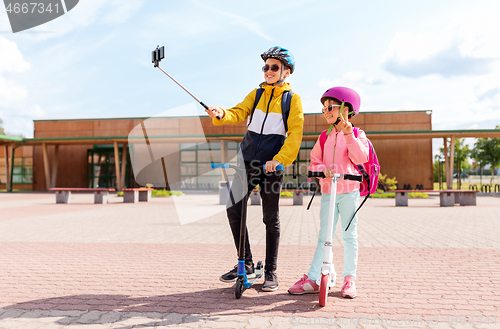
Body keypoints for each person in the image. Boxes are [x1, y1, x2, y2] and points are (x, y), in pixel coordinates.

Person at [205, 46, 304, 291]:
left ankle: (271, 270)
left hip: (272, 164)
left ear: (286, 72)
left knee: (270, 217)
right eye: (266, 67)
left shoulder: (293, 100)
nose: (268, 71)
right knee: (233, 208)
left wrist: (279, 159)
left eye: (274, 67)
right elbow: (238, 112)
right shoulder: (257, 93)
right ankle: (246, 264)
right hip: (247, 160)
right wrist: (221, 113)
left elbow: (295, 134)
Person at [287, 87, 369, 298]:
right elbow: (314, 162)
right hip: (328, 192)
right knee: (324, 235)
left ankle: (349, 279)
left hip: (349, 192)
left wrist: (349, 134)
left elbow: (361, 157)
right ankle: (314, 278)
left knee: (349, 235)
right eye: (324, 108)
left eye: (330, 107)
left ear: (346, 108)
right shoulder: (324, 137)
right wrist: (323, 168)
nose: (326, 111)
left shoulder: (357, 134)